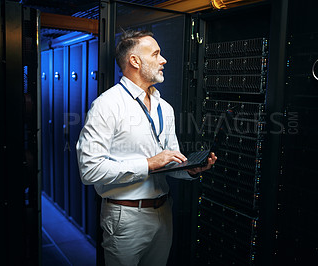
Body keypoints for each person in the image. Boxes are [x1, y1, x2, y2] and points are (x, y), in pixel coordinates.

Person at [76, 29, 217, 266]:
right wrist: (148, 164)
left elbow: (169, 162)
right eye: (156, 54)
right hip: (125, 217)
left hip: (163, 212)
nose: (163, 60)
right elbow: (89, 170)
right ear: (135, 61)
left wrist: (189, 170)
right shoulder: (106, 105)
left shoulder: (165, 108)